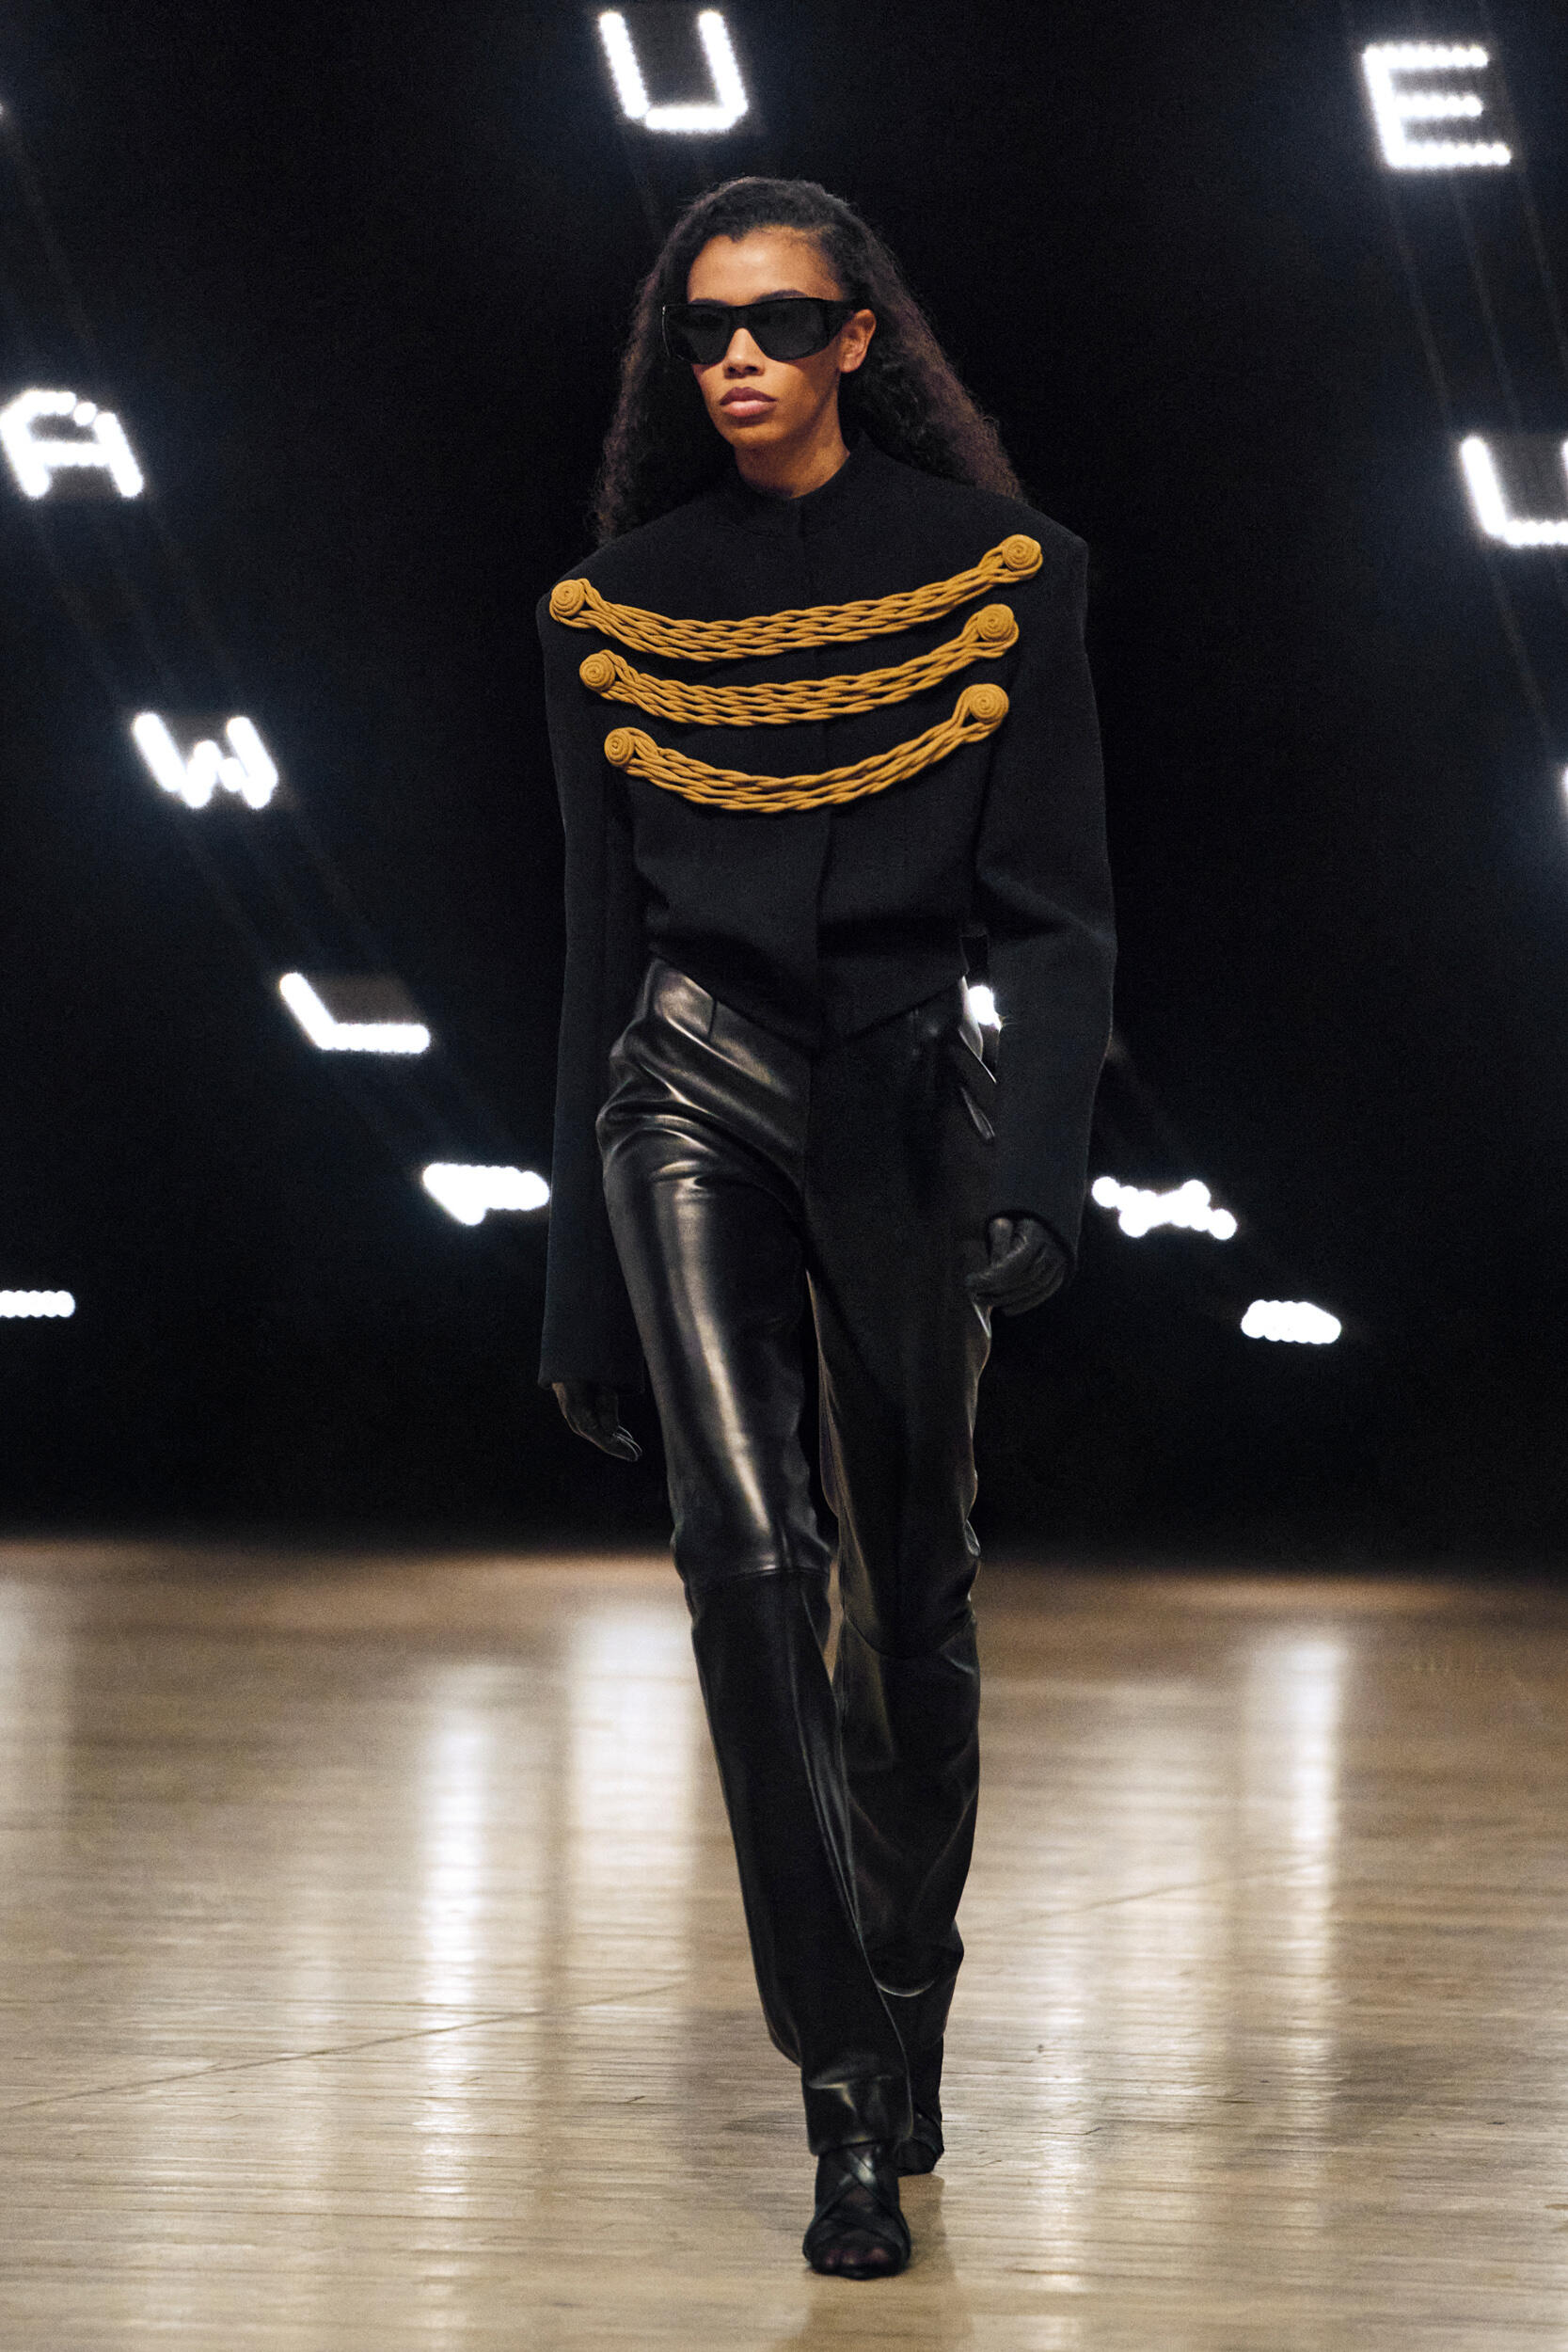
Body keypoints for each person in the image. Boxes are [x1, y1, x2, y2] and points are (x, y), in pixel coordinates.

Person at [536, 175, 1115, 2280]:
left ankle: (910, 1991)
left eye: (779, 320)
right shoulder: (611, 610)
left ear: (857, 337)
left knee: (914, 1603)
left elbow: (1056, 917)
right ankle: (844, 2093)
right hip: (687, 1079)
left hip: (904, 1089)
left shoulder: (1005, 578)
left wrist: (1036, 1172)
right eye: (705, 329)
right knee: (745, 1554)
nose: (740, 359)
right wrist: (576, 1285)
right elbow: (595, 946)